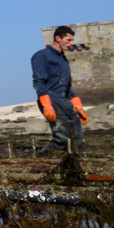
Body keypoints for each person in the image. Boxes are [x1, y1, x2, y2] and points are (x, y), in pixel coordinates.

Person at [33, 25, 88, 154]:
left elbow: (67, 87)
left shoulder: (63, 60)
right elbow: (38, 82)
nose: (72, 43)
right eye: (68, 40)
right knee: (62, 140)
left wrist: (78, 106)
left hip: (65, 102)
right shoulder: (41, 56)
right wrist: (46, 105)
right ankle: (41, 159)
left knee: (78, 139)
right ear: (58, 38)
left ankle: (74, 165)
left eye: (72, 40)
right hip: (51, 101)